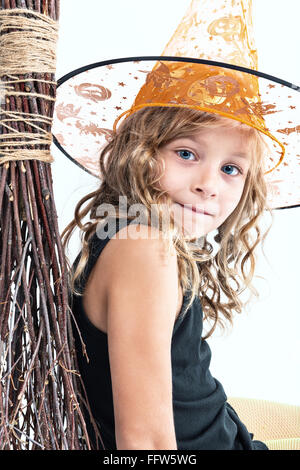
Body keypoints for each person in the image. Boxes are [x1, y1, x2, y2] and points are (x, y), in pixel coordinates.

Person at [61, 105, 272, 450]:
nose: (208, 186)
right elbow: (146, 441)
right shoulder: (145, 247)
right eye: (186, 154)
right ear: (139, 153)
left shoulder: (129, 236)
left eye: (230, 169)